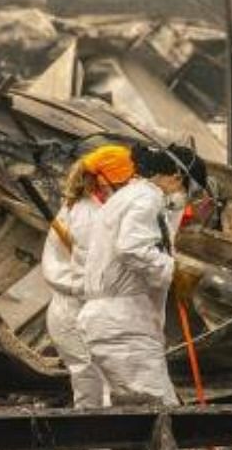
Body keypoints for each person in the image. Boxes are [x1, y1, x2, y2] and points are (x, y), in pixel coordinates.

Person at [78, 143, 208, 406]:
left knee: (132, 414)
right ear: (177, 176)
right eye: (190, 191)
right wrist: (174, 271)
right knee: (159, 411)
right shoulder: (147, 198)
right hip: (123, 324)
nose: (186, 199)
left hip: (115, 320)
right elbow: (132, 247)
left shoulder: (130, 196)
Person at [41, 145, 133, 408]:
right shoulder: (86, 216)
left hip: (88, 306)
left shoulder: (99, 208)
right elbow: (96, 275)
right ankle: (91, 443)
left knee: (104, 381)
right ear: (103, 180)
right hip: (75, 311)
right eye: (124, 182)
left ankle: (102, 443)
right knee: (94, 382)